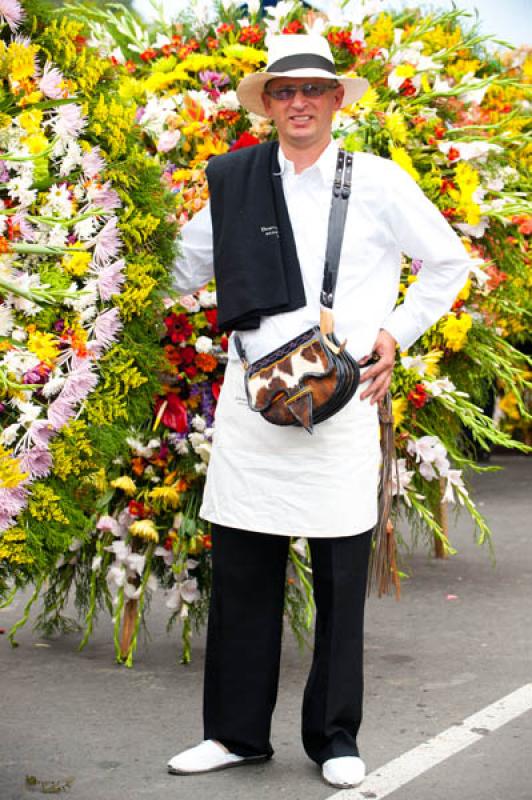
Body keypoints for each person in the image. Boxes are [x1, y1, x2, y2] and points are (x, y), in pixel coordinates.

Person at [167, 34, 472, 789]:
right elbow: (178, 267)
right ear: (267, 103)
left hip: (340, 405)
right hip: (251, 407)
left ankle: (335, 739)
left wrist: (393, 337)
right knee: (242, 578)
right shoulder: (234, 182)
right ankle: (234, 734)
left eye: (313, 89)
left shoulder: (378, 180)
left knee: (338, 581)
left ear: (338, 100)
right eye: (283, 90)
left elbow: (448, 263)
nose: (298, 102)